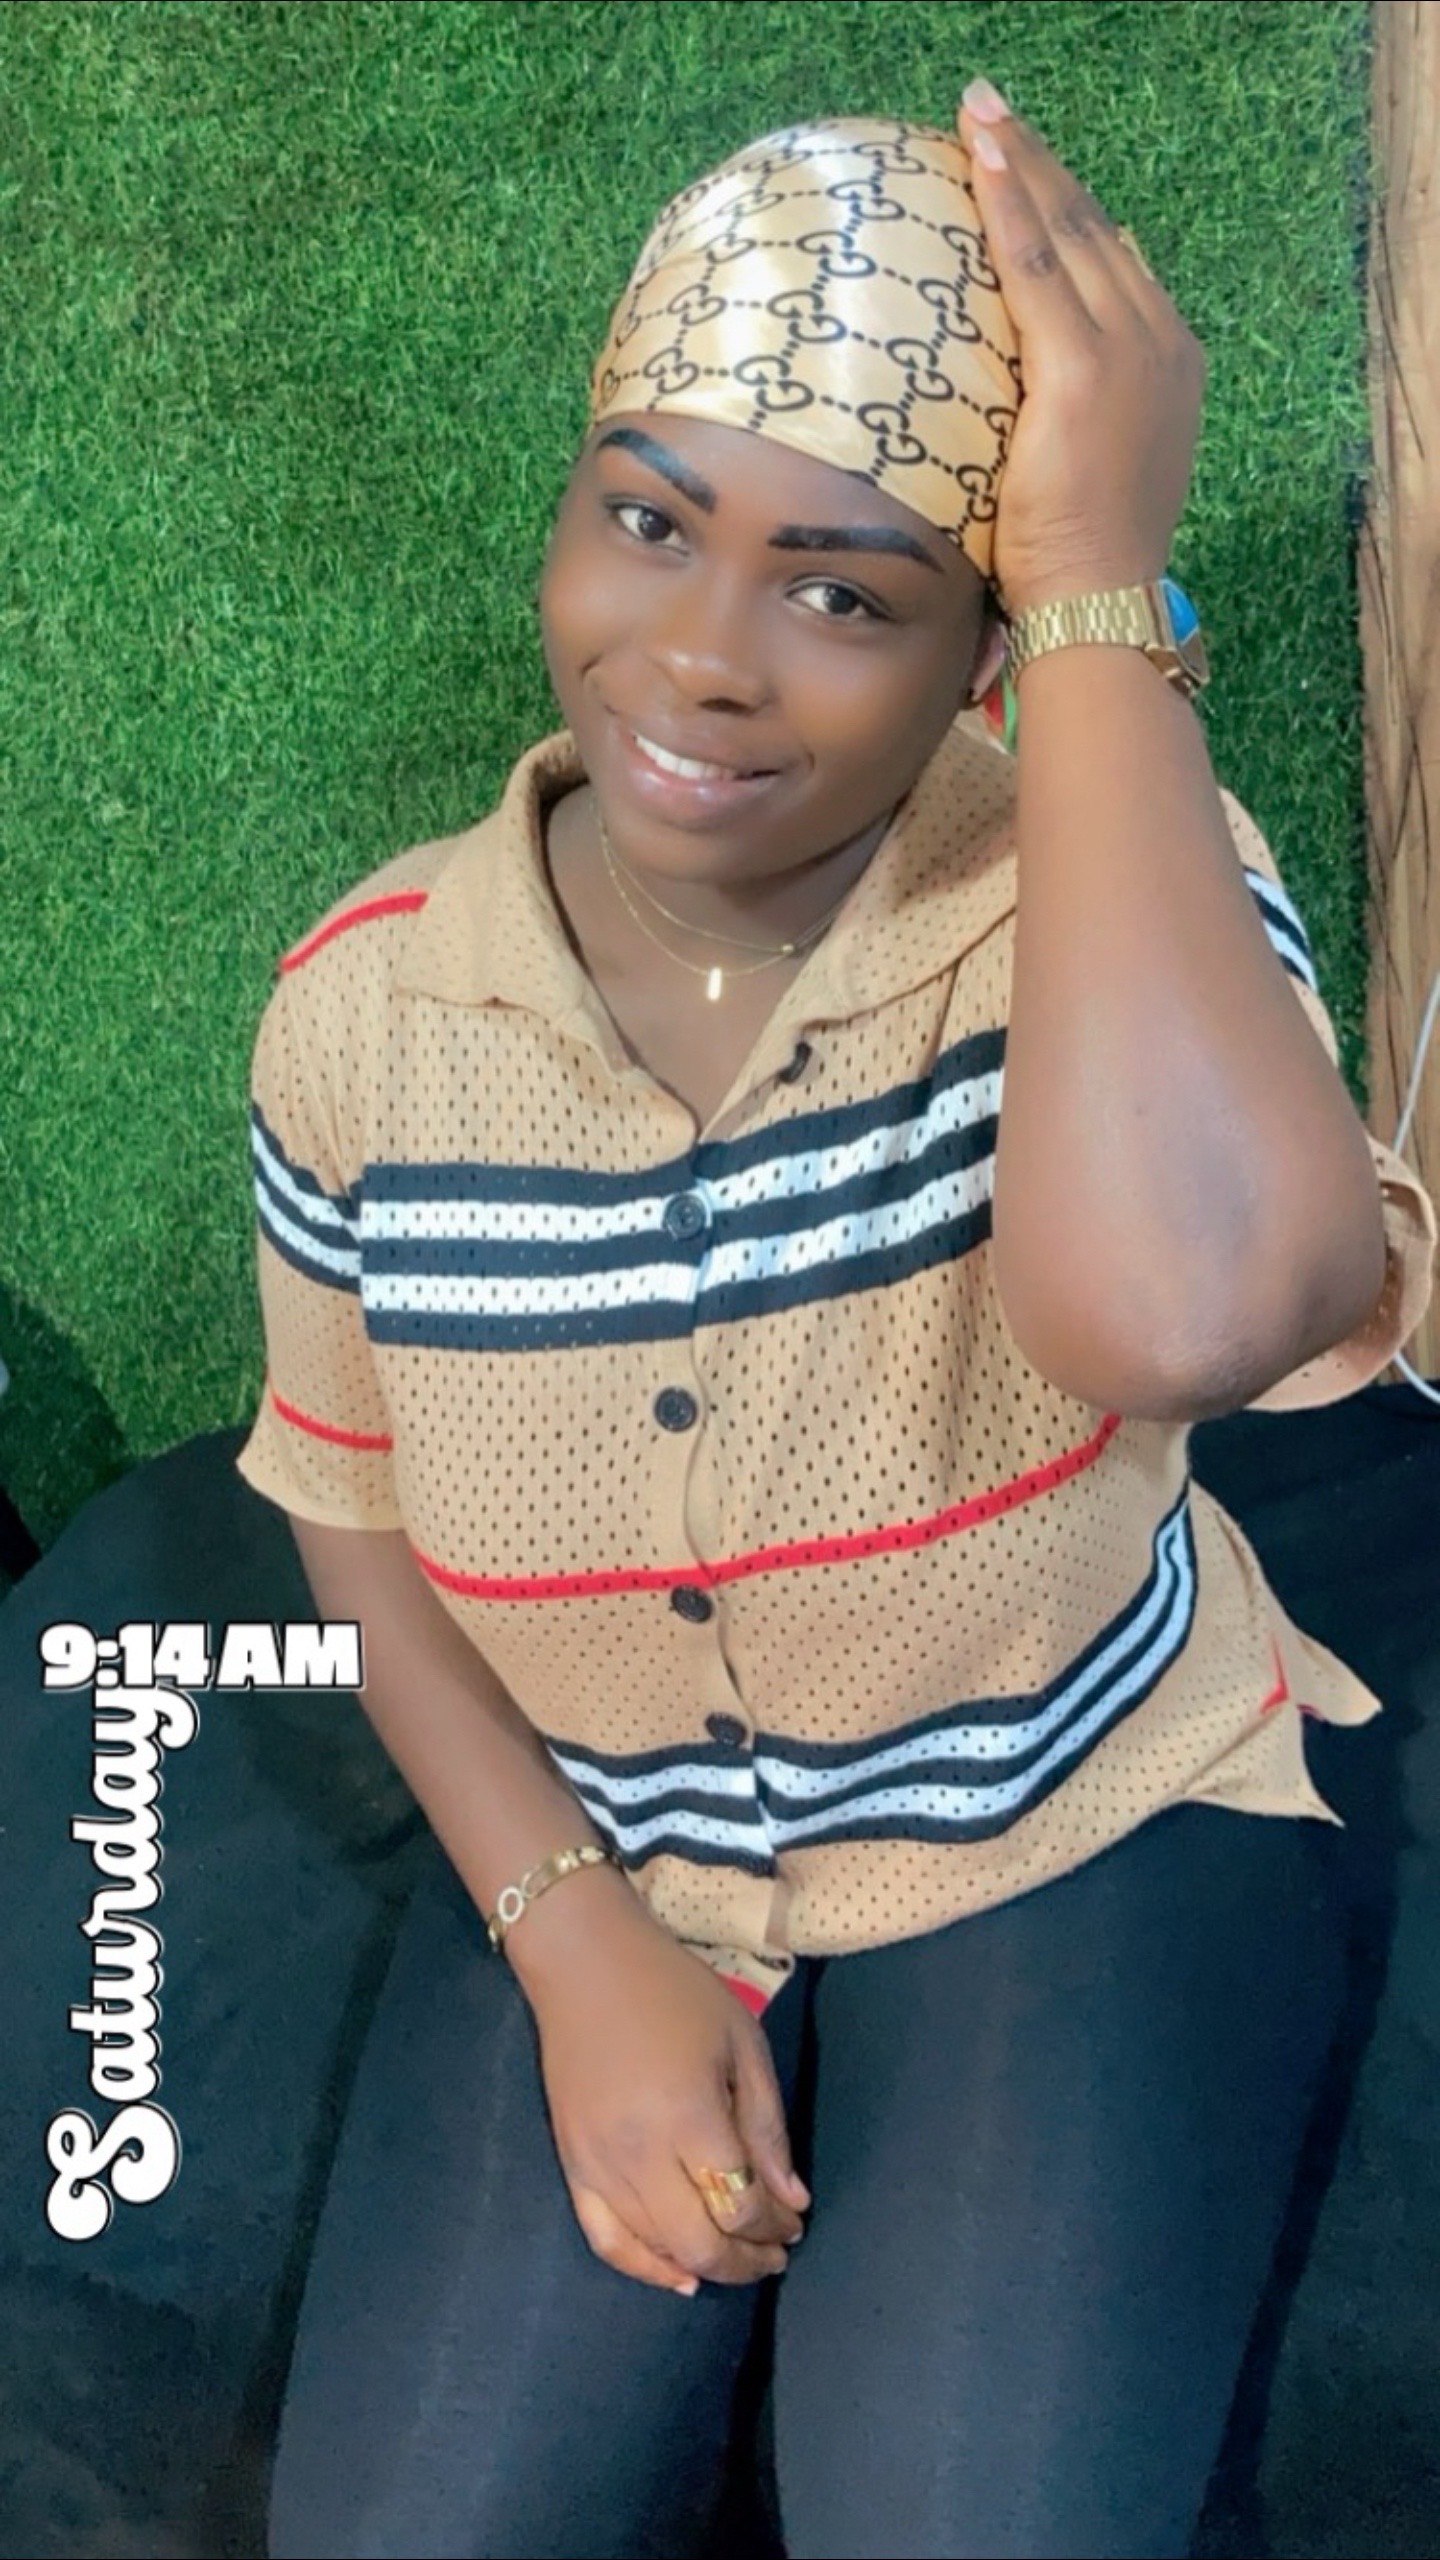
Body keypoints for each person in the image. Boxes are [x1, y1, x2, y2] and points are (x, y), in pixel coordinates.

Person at [236, 85, 1436, 2560]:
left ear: (985, 648)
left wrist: (1098, 580)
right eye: (647, 517)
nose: (699, 653)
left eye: (853, 593)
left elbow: (1196, 1307)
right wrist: (571, 1933)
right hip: (615, 1841)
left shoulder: (1125, 886)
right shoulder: (362, 1011)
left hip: (1073, 1811)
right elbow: (349, 1514)